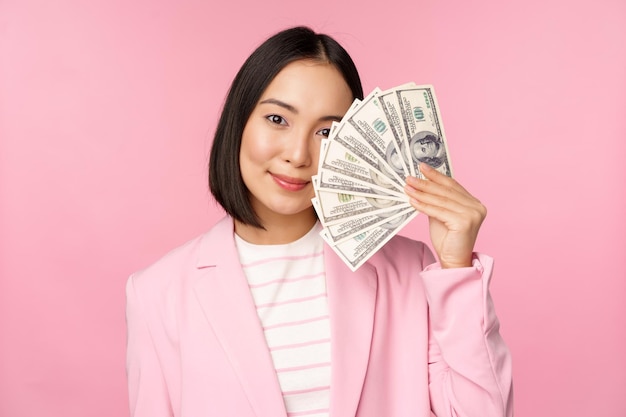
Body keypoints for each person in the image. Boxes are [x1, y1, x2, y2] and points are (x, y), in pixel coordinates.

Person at [125, 26, 513, 417]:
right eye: (277, 119)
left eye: (327, 131)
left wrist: (456, 268)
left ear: (355, 143)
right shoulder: (157, 292)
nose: (298, 154)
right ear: (238, 121)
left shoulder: (408, 270)